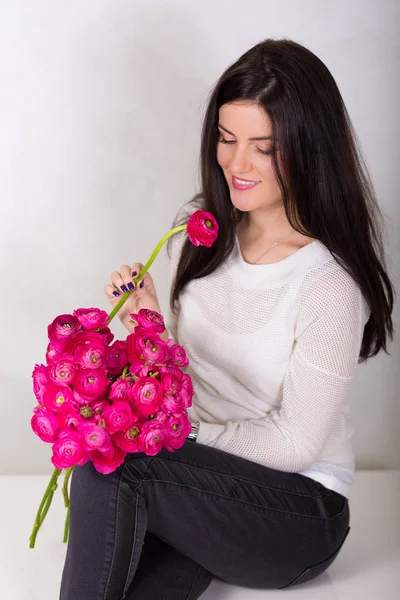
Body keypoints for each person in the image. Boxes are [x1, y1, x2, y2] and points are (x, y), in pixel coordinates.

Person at [59, 38, 395, 599]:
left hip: (297, 511)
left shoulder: (328, 286)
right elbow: (204, 376)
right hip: (199, 484)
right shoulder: (206, 230)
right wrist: (149, 329)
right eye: (226, 137)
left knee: (110, 464)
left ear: (309, 150)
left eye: (264, 148)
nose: (236, 163)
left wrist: (174, 433)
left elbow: (294, 443)